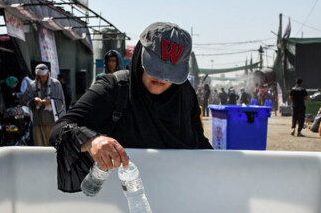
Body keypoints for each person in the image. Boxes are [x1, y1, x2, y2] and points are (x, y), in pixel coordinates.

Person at [49, 22, 212, 193]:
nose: (162, 77)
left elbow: (199, 142)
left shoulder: (185, 94)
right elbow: (59, 130)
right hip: (121, 202)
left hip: (177, 198)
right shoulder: (113, 88)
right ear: (140, 57)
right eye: (155, 67)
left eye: (171, 72)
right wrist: (92, 141)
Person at [25, 63, 66, 146]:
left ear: (48, 74)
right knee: (39, 149)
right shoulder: (32, 85)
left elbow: (62, 102)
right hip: (38, 122)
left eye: (43, 76)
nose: (42, 79)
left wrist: (51, 102)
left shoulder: (56, 84)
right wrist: (34, 101)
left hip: (52, 122)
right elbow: (27, 101)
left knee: (53, 148)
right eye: (39, 77)